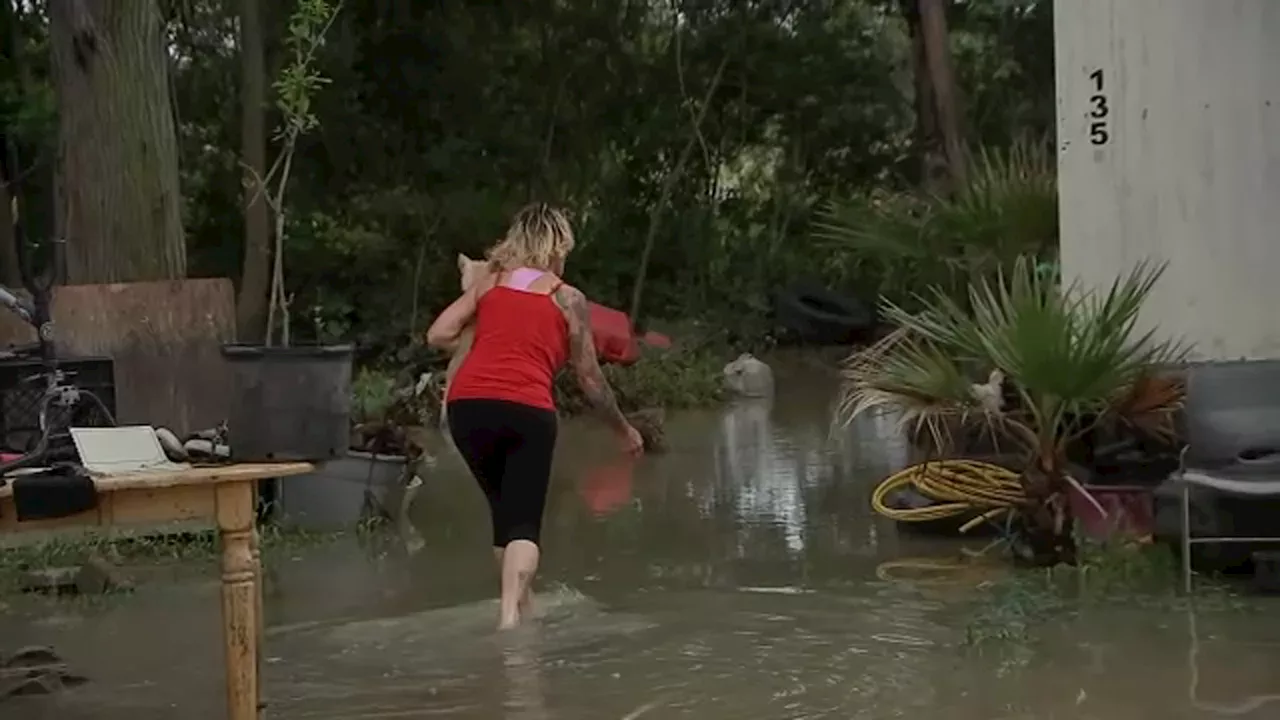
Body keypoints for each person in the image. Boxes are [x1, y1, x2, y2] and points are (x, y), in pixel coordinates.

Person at [426, 202, 644, 630]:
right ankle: (509, 620)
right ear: (557, 246)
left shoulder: (490, 285)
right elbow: (590, 379)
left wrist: (485, 340)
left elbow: (438, 334)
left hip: (468, 408)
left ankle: (521, 609)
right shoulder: (567, 299)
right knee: (524, 521)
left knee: (503, 516)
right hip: (527, 409)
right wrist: (624, 429)